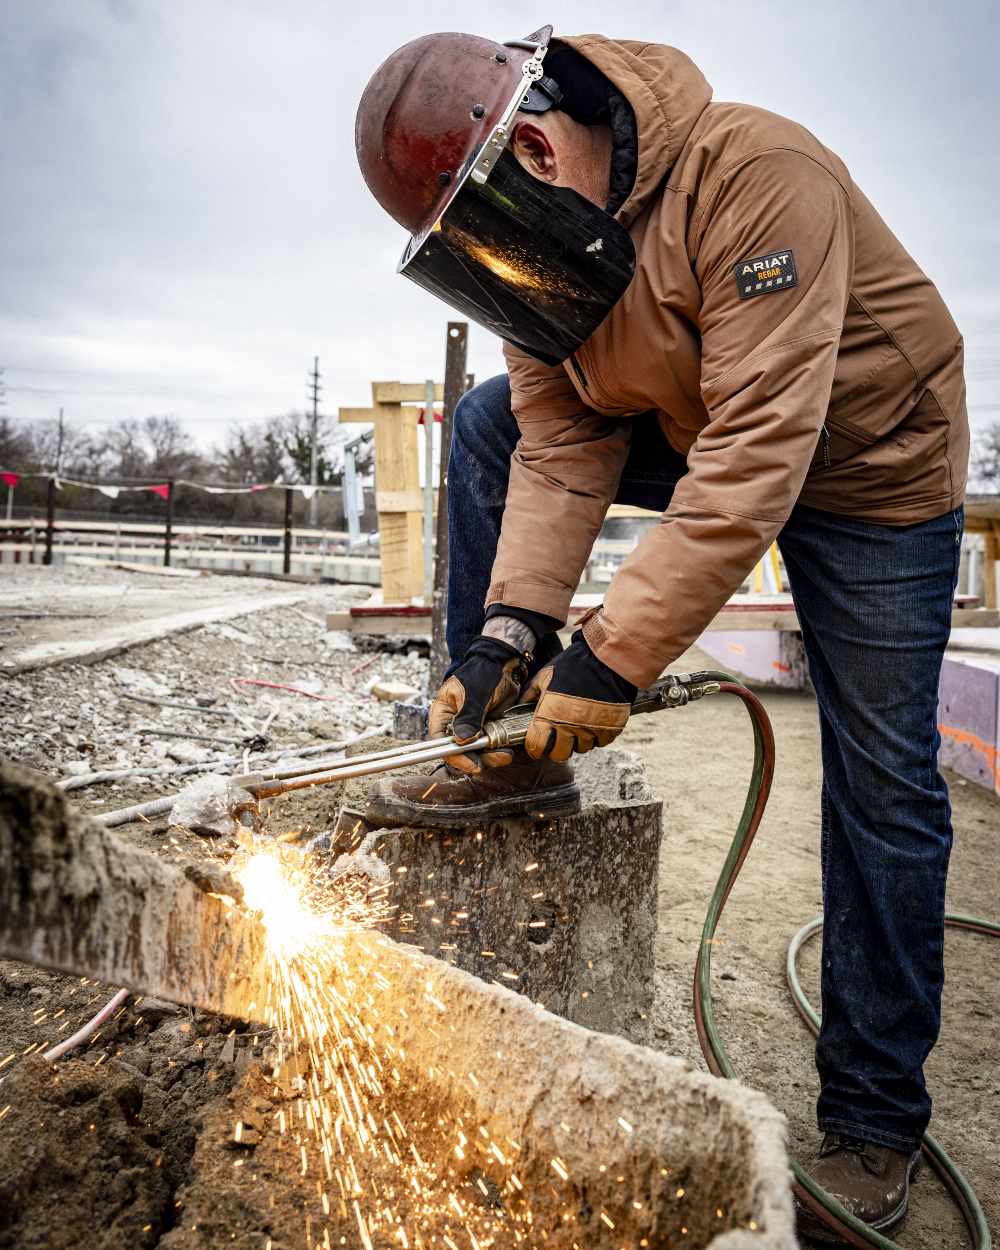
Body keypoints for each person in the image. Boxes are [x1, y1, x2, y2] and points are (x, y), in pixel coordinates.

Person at [353, 26, 968, 1243]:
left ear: (532, 147)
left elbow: (756, 455)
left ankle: (872, 1115)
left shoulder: (755, 172)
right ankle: (486, 742)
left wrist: (611, 659)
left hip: (870, 463)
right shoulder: (547, 259)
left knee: (884, 778)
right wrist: (513, 634)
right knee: (486, 421)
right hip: (711, 418)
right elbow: (558, 446)